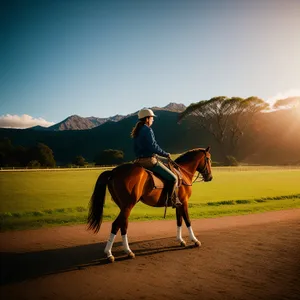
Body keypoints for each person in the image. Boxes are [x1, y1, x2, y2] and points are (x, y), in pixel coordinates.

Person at [131, 108, 182, 208]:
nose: (152, 120)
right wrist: (165, 154)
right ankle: (172, 200)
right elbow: (153, 146)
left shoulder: (137, 131)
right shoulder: (148, 129)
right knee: (173, 178)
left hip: (138, 161)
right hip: (149, 161)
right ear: (147, 119)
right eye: (151, 118)